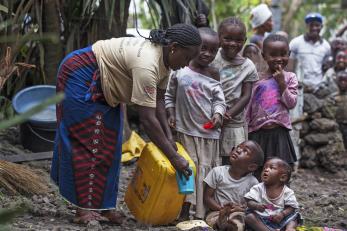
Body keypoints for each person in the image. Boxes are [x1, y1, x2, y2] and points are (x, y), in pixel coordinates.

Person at [50, 24, 202, 224]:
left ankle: (103, 207)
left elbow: (158, 103)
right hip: (80, 74)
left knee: (112, 144)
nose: (187, 64)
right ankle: (83, 208)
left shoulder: (165, 62)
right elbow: (147, 119)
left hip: (107, 84)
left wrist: (169, 141)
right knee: (87, 142)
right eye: (187, 58)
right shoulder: (147, 64)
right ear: (173, 47)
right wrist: (174, 158)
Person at [165, 27, 225, 220]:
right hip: (185, 132)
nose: (207, 54)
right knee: (187, 170)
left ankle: (199, 212)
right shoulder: (180, 69)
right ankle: (181, 211)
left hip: (208, 136)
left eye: (213, 50)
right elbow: (169, 96)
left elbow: (219, 100)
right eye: (203, 48)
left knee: (203, 174)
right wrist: (171, 113)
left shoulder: (214, 74)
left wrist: (218, 114)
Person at [246, 34, 298, 172]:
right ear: (264, 56)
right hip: (258, 131)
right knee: (257, 169)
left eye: (283, 54)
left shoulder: (290, 78)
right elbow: (249, 106)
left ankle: (280, 194)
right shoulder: (256, 79)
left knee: (281, 169)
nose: (279, 58)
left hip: (279, 132)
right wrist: (245, 129)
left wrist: (282, 83)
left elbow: (291, 103)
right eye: (273, 55)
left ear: (289, 54)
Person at [212, 17, 259, 165]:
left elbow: (246, 96)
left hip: (233, 122)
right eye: (227, 38)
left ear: (245, 40)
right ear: (218, 38)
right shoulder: (212, 57)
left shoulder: (248, 67)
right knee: (209, 158)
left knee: (230, 160)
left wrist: (228, 115)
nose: (233, 43)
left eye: (238, 40)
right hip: (209, 118)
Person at [203, 140, 264, 230]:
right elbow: (207, 198)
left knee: (241, 220)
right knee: (213, 220)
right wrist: (222, 210)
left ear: (251, 167)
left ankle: (229, 226)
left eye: (245, 151)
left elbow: (253, 205)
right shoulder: (217, 172)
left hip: (238, 213)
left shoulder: (253, 182)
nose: (238, 150)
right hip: (216, 212)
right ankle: (222, 224)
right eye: (238, 147)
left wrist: (241, 209)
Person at [245, 158, 300, 231]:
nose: (266, 169)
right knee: (249, 217)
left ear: (282, 177)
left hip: (281, 218)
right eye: (264, 168)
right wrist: (256, 205)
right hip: (262, 217)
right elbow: (249, 201)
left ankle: (289, 228)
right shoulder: (258, 188)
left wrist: (282, 214)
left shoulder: (287, 192)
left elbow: (291, 207)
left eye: (272, 168)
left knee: (294, 216)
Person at [288, 12, 331, 92]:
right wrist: (295, 84)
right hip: (300, 88)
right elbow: (290, 68)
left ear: (321, 26)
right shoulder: (295, 43)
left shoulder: (326, 46)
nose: (314, 28)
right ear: (307, 26)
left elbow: (325, 68)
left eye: (317, 25)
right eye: (311, 25)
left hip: (318, 89)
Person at [335, 71, 347, 148]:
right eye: (341, 80)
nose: (343, 83)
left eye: (345, 80)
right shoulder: (334, 96)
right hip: (338, 124)